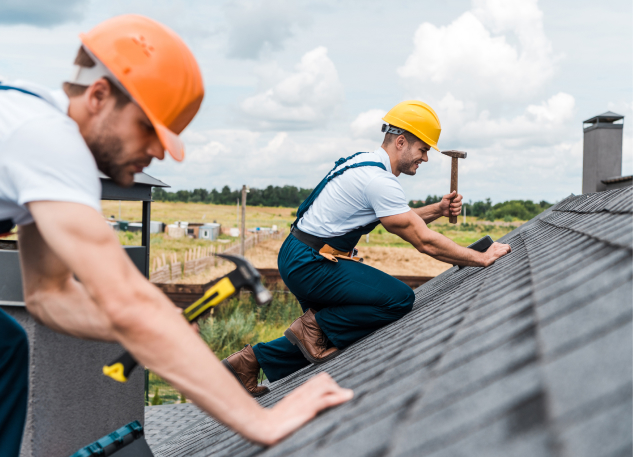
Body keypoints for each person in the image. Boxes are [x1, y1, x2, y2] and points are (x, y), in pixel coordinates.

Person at [0, 14, 352, 456]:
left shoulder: (31, 123)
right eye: (148, 127)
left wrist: (157, 333)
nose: (157, 151)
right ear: (99, 95)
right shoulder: (50, 141)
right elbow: (127, 302)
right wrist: (260, 422)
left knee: (6, 347)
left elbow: (49, 296)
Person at [222, 100, 512, 393]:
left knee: (328, 335)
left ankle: (247, 363)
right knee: (397, 299)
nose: (425, 158)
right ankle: (314, 327)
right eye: (423, 149)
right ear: (401, 142)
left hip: (299, 254)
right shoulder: (378, 180)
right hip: (310, 264)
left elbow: (401, 218)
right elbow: (423, 240)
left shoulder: (362, 162)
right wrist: (481, 257)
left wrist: (438, 208)